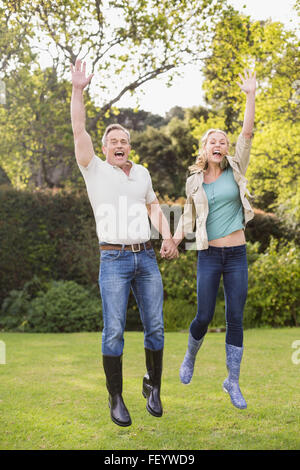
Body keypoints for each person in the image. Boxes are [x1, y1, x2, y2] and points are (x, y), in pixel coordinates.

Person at [70, 59, 178, 427]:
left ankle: (154, 386)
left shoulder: (142, 173)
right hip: (113, 260)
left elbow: (153, 206)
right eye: (113, 141)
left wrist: (167, 235)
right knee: (114, 329)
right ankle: (115, 398)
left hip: (145, 258)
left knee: (156, 327)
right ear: (103, 148)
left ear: (130, 147)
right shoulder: (94, 168)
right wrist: (78, 90)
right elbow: (78, 129)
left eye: (124, 141)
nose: (120, 145)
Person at [173, 69, 256, 409]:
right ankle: (190, 357)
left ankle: (232, 381)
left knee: (235, 317)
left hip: (236, 254)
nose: (219, 144)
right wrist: (173, 240)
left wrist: (250, 95)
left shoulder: (237, 167)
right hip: (208, 255)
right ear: (204, 149)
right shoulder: (194, 181)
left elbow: (247, 133)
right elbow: (188, 217)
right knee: (204, 316)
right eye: (213, 141)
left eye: (223, 140)